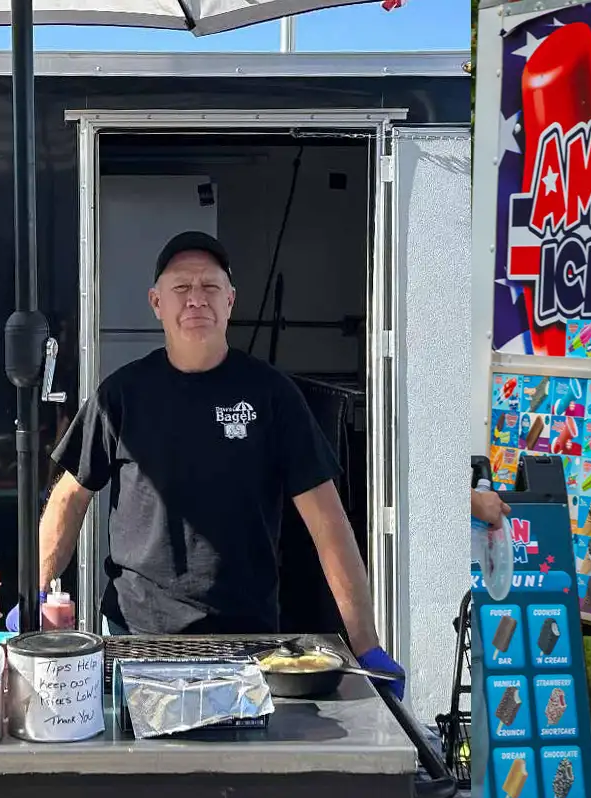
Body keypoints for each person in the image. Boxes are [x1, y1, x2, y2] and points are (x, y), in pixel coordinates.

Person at [30, 231, 406, 696]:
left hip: (251, 641)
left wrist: (365, 646)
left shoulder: (273, 397)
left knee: (239, 765)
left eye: (210, 287)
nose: (196, 300)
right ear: (156, 302)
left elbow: (329, 525)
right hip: (137, 637)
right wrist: (34, 596)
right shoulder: (120, 396)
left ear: (230, 301)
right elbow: (68, 501)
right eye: (181, 288)